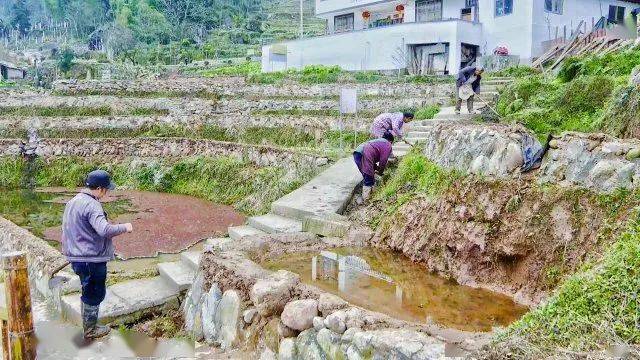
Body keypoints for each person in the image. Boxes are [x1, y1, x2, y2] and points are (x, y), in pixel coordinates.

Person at [61, 170, 133, 339]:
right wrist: (125, 227)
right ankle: (91, 330)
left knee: (88, 290)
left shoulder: (74, 201)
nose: (107, 193)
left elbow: (66, 229)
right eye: (107, 189)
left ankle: (89, 326)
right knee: (94, 293)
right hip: (90, 258)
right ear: (100, 189)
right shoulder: (92, 205)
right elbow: (104, 230)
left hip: (78, 256)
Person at [353, 133, 395, 202]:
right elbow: (383, 160)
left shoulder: (378, 141)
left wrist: (376, 168)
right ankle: (366, 199)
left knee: (367, 174)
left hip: (357, 153)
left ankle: (370, 195)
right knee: (368, 175)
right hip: (364, 152)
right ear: (390, 141)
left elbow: (373, 157)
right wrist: (381, 172)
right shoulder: (387, 144)